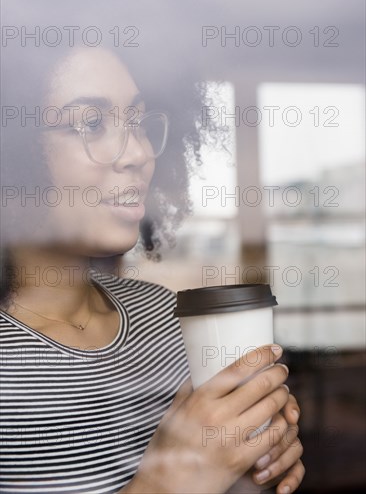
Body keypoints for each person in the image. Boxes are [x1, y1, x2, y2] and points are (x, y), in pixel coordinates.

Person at [0, 42, 305, 493]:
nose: (139, 153)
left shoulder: (165, 313)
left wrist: (251, 461)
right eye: (91, 123)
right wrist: (163, 485)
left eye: (138, 123)